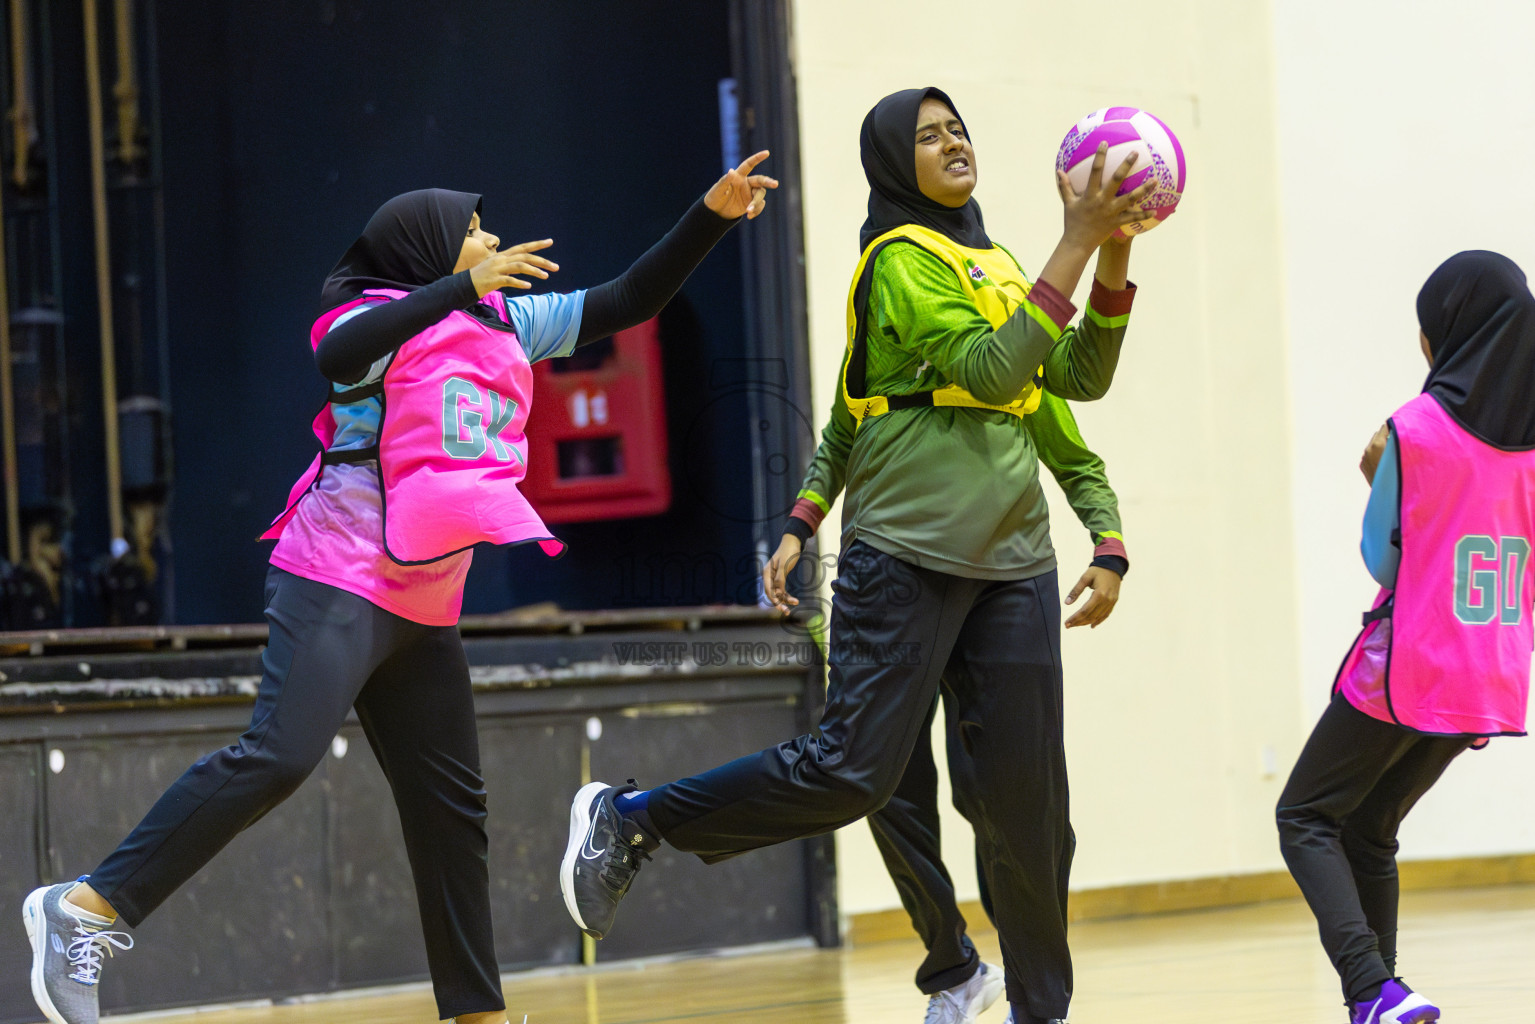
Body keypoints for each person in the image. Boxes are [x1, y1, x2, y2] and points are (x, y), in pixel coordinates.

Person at [21, 154, 777, 1024]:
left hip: (425, 603)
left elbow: (628, 299)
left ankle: (477, 1013)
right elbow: (334, 351)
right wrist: (458, 288)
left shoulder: (505, 323)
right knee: (279, 755)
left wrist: (710, 216)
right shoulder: (371, 321)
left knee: (451, 812)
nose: (491, 241)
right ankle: (83, 908)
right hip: (337, 574)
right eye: (472, 232)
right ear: (426, 251)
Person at [560, 87, 1152, 1024]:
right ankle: (632, 820)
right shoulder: (898, 262)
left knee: (1029, 817)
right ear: (891, 162)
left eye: (958, 124)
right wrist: (1078, 238)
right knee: (858, 775)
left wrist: (1114, 247)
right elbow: (990, 372)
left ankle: (1039, 1010)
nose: (952, 139)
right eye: (927, 134)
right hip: (903, 557)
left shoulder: (996, 262)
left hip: (1014, 567)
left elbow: (1075, 376)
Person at [765, 384, 1130, 1024]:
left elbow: (1075, 458)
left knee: (999, 802)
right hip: (897, 591)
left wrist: (1109, 542)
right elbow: (839, 441)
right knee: (881, 790)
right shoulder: (883, 348)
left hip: (989, 602)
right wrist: (801, 525)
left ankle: (1032, 988)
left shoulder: (1009, 356)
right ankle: (955, 970)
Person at [1275, 251, 1535, 1024]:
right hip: (1487, 676)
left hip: (1410, 665)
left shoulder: (1412, 430)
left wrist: (1373, 481)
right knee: (1369, 827)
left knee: (1304, 816)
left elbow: (1383, 559)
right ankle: (1382, 1003)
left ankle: (1367, 985)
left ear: (1442, 338)